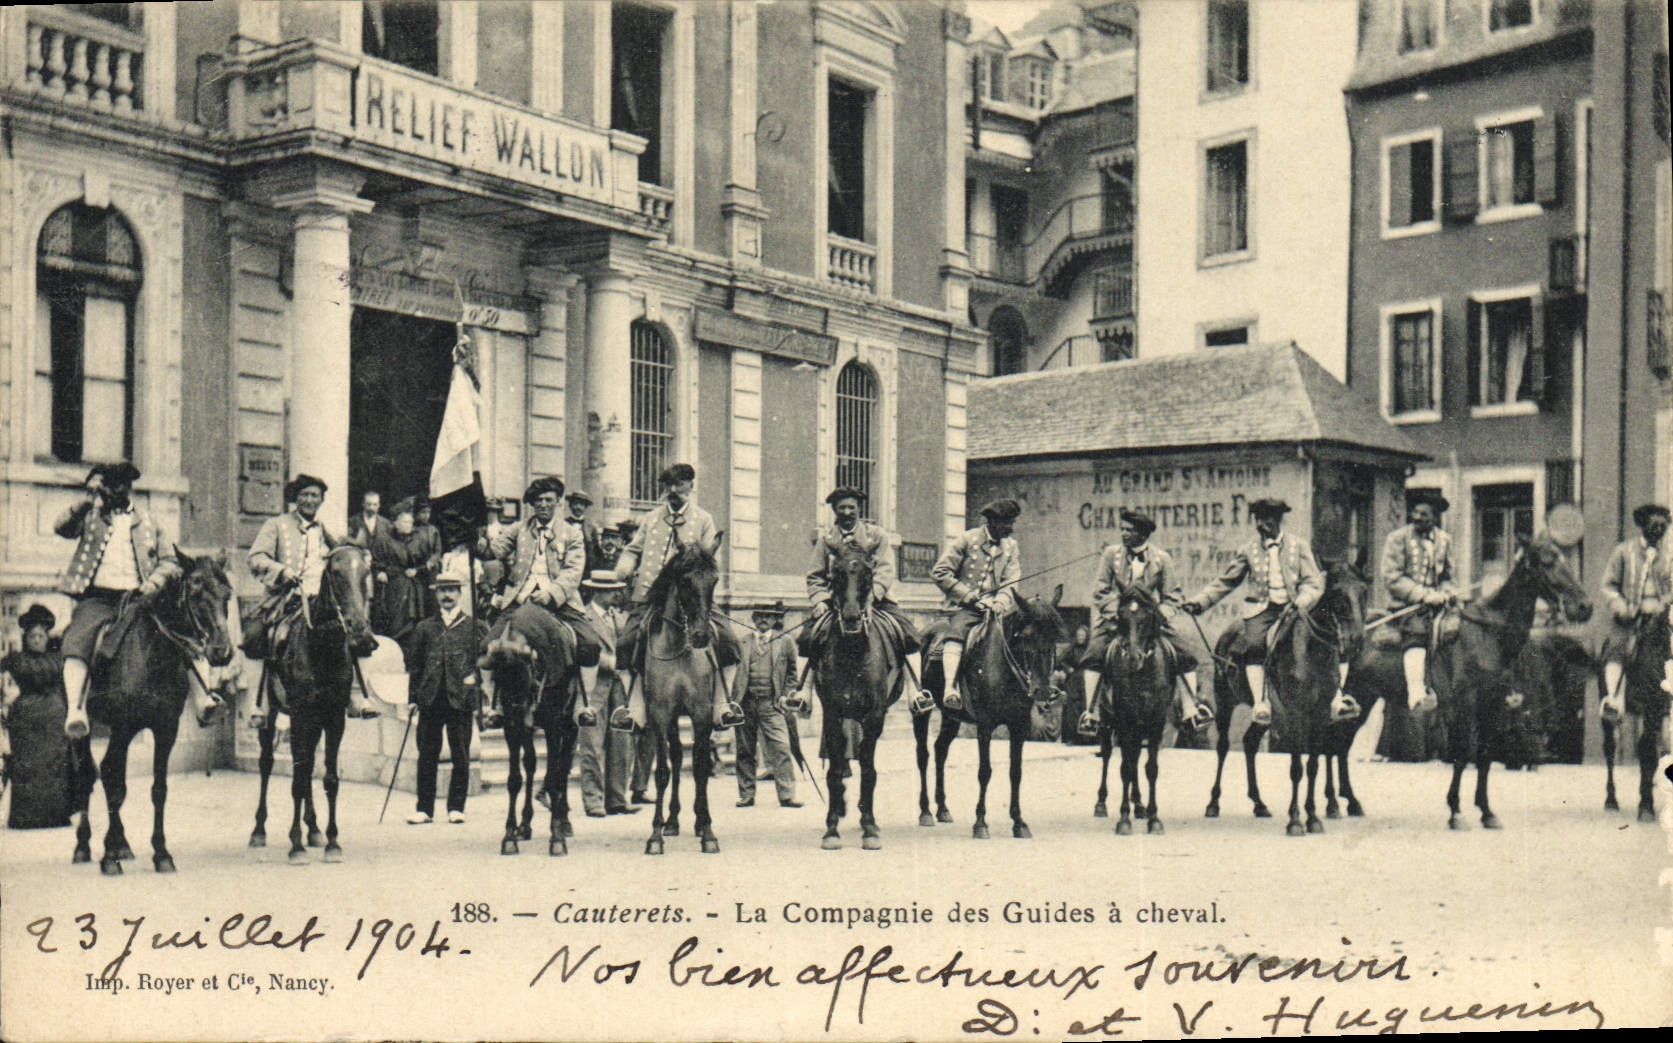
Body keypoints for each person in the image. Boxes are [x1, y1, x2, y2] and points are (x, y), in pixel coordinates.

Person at [55, 462, 192, 740]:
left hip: (138, 598)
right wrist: (86, 500)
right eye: (109, 485)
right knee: (77, 641)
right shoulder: (89, 516)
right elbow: (62, 528)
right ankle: (76, 710)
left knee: (177, 635)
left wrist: (153, 583)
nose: (115, 491)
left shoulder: (149, 522)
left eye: (121, 485)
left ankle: (204, 697)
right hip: (98, 598)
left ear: (128, 488)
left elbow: (169, 561)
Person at [610, 463, 746, 732]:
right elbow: (634, 549)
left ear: (690, 486)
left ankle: (723, 705)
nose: (674, 490)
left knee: (729, 641)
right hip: (651, 597)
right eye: (669, 485)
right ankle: (633, 708)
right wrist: (624, 567)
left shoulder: (703, 519)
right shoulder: (651, 518)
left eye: (680, 484)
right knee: (626, 643)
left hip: (693, 598)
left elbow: (710, 559)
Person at [247, 473, 378, 723]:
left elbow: (342, 556)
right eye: (305, 495)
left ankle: (356, 694)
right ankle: (259, 701)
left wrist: (360, 556)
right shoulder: (276, 525)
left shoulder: (324, 531)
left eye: (315, 495)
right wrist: (282, 571)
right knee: (261, 634)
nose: (309, 500)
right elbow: (256, 558)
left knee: (355, 633)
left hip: (321, 600)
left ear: (321, 500)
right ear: (296, 498)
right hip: (288, 599)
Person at [1183, 498, 1324, 727]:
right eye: (1257, 519)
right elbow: (1226, 581)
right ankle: (1260, 703)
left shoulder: (1299, 546)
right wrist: (1200, 602)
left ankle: (1335, 696)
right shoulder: (1248, 550)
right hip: (1261, 609)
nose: (1260, 524)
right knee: (1255, 645)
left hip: (1294, 607)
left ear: (1277, 519)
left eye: (1265, 519)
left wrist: (1303, 600)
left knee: (1320, 641)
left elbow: (1313, 581)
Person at [1078, 508, 1209, 736]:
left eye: (1129, 530)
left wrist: (1161, 615)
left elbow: (1172, 596)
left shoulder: (1161, 559)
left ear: (1143, 534)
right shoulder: (1110, 555)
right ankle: (1091, 714)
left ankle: (1191, 710)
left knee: (1185, 654)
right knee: (1093, 654)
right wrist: (1117, 612)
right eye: (1123, 529)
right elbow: (1100, 591)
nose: (1124, 534)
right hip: (1116, 620)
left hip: (1150, 621)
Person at [795, 487, 926, 711]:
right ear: (834, 510)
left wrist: (874, 593)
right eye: (841, 508)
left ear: (859, 509)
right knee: (808, 636)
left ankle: (915, 691)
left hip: (876, 598)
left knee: (907, 634)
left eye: (851, 507)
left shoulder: (876, 536)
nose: (847, 512)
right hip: (838, 602)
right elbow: (815, 575)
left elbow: (885, 569)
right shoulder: (827, 540)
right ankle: (802, 692)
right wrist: (820, 600)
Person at [486, 476, 601, 726]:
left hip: (561, 602)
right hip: (520, 600)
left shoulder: (572, 533)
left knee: (590, 644)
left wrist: (551, 593)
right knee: (488, 645)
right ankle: (494, 706)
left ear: (558, 502)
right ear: (532, 504)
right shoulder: (518, 529)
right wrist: (479, 540)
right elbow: (493, 550)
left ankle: (584, 704)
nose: (543, 505)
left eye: (549, 500)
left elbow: (573, 571)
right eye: (538, 500)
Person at [404, 564, 488, 825]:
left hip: (460, 698)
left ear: (460, 594)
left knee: (461, 754)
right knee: (427, 755)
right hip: (431, 698)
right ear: (436, 594)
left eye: (452, 590)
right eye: (443, 590)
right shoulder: (425, 627)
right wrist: (412, 698)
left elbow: (483, 663)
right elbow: (415, 666)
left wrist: (476, 680)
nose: (448, 595)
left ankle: (456, 807)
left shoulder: (474, 627)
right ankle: (424, 809)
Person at [930, 499, 1023, 711]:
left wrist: (1000, 602)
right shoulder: (967, 539)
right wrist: (968, 597)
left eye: (1012, 522)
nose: (1011, 528)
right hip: (965, 608)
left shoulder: (1011, 547)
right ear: (993, 522)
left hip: (997, 609)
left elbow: (1011, 580)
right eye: (1007, 523)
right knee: (956, 634)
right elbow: (940, 572)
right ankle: (950, 688)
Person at [2, 605, 82, 829]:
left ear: (47, 638)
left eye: (41, 636)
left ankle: (57, 815)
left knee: (56, 767)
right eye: (32, 636)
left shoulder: (57, 659)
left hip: (54, 717)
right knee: (27, 768)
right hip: (26, 719)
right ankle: (26, 818)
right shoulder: (17, 660)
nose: (37, 640)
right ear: (25, 637)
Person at [1379, 492, 1458, 714]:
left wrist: (1447, 591)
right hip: (1407, 606)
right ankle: (1416, 693)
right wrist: (1422, 595)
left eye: (1424, 514)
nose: (1417, 517)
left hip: (1439, 604)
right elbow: (1391, 577)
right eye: (1415, 512)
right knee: (1417, 634)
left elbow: (1449, 575)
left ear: (1435, 517)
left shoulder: (1444, 540)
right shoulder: (1398, 538)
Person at [575, 570, 639, 817]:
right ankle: (593, 799)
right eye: (611, 591)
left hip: (620, 687)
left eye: (616, 590)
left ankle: (617, 799)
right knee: (591, 744)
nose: (616, 595)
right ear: (598, 592)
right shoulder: (583, 617)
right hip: (593, 688)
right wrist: (610, 662)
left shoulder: (619, 618)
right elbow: (581, 648)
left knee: (622, 742)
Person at [1600, 503, 1672, 720]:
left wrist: (1663, 603)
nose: (1658, 530)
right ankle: (1613, 700)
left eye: (1663, 526)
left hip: (1661, 616)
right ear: (1643, 525)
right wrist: (1621, 606)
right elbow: (1608, 585)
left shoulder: (1669, 555)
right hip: (1629, 618)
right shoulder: (1624, 551)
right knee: (1617, 649)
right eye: (1654, 525)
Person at [733, 602, 802, 808]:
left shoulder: (785, 641)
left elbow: (793, 673)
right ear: (753, 619)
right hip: (745, 704)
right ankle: (747, 794)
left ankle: (787, 794)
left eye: (768, 616)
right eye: (760, 616)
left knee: (781, 748)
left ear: (774, 620)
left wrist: (785, 695)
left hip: (772, 705)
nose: (764, 620)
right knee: (745, 750)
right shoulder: (742, 642)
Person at [371, 497, 426, 647]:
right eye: (405, 522)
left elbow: (425, 561)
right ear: (395, 523)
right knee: (396, 621)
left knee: (415, 622)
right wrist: (380, 572)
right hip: (394, 586)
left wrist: (417, 570)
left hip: (414, 587)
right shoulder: (384, 540)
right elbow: (376, 562)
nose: (409, 525)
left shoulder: (418, 539)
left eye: (410, 522)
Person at [565, 489, 602, 573]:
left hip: (586, 568)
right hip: (567, 566)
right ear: (570, 505)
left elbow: (596, 551)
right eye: (575, 503)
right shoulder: (563, 524)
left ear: (585, 507)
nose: (578, 507)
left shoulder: (591, 527)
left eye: (581, 504)